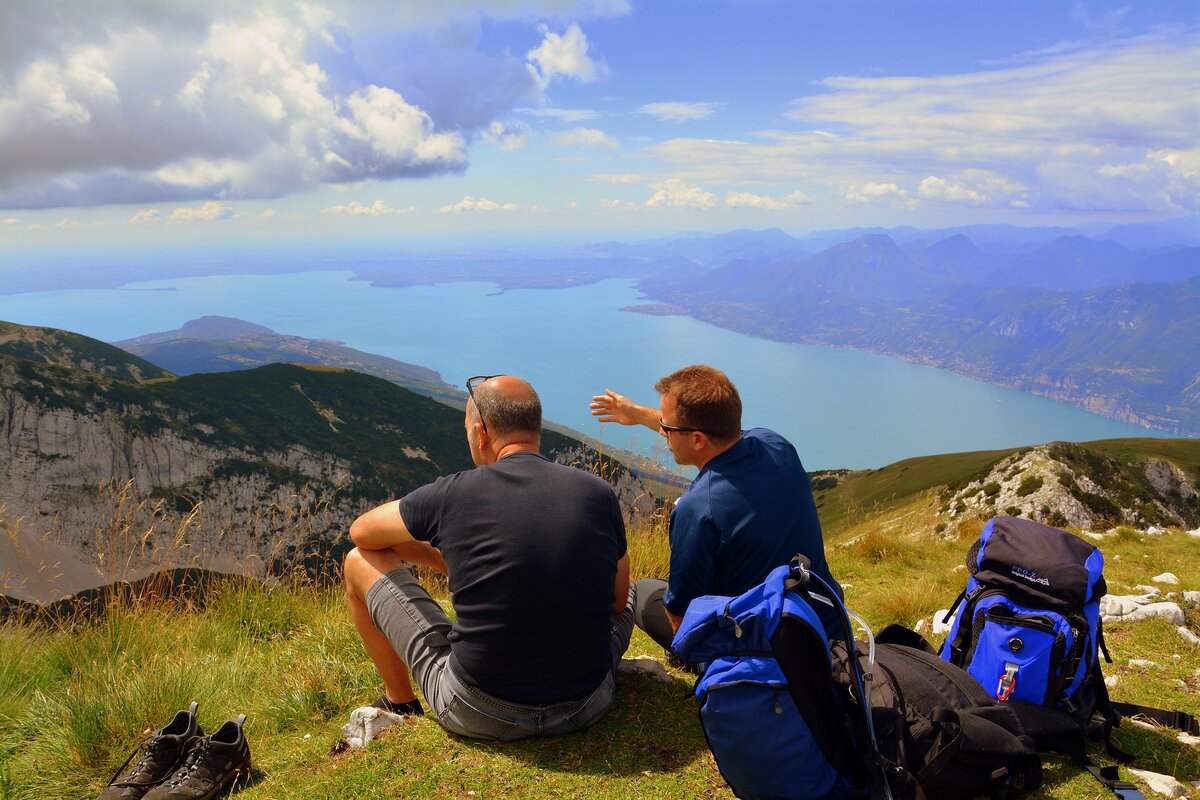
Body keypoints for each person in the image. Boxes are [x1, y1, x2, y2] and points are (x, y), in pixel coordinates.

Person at [344, 375, 633, 741]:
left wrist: (440, 558)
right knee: (633, 591)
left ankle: (400, 702)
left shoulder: (451, 494)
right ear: (535, 428)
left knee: (358, 560)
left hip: (478, 710)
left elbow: (362, 534)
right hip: (585, 705)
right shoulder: (599, 492)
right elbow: (618, 599)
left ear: (481, 433)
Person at [589, 364, 842, 652]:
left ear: (697, 439)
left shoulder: (698, 508)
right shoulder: (775, 444)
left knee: (645, 591)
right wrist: (637, 413)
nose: (664, 433)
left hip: (765, 649)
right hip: (824, 618)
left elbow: (681, 618)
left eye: (667, 427)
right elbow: (710, 431)